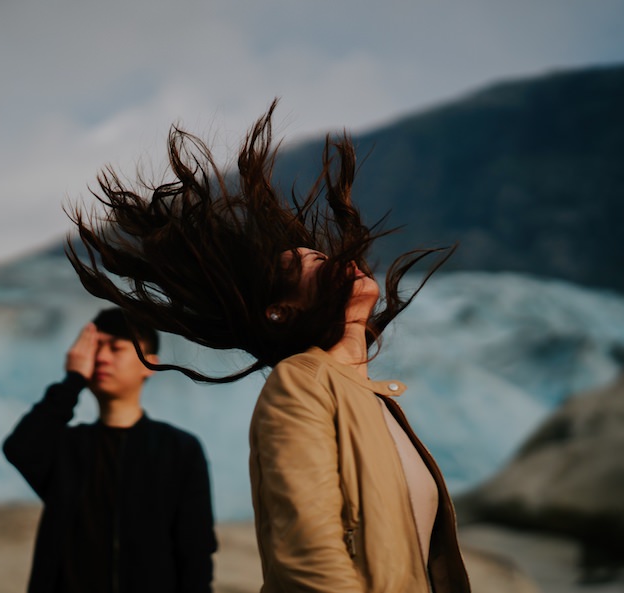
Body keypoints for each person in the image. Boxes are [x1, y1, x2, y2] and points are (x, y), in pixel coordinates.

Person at [65, 100, 471, 592]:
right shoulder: (301, 380)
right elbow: (308, 558)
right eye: (305, 264)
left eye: (321, 253)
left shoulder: (373, 401)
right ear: (282, 311)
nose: (331, 259)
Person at [2, 308, 217, 593]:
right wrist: (72, 381)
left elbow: (196, 553)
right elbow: (20, 448)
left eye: (116, 348)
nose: (101, 357)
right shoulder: (67, 447)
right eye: (96, 348)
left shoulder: (179, 449)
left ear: (149, 365)